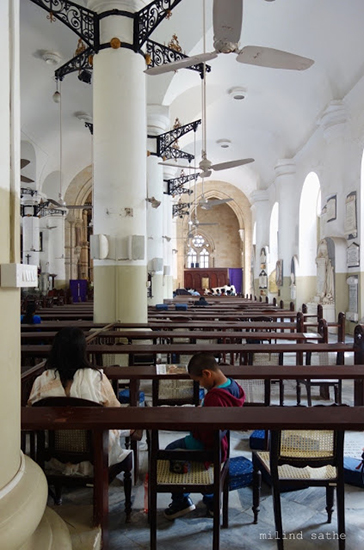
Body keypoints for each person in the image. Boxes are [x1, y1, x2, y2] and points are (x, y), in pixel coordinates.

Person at [27, 327, 140, 474]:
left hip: (55, 456)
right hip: (95, 455)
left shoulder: (42, 380)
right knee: (120, 422)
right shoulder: (96, 378)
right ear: (82, 351)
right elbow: (115, 412)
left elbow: (31, 412)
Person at [163, 352, 245, 520]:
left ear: (207, 373)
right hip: (222, 443)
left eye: (199, 381)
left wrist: (193, 423)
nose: (200, 385)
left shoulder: (214, 398)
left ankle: (181, 502)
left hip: (208, 446)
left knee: (170, 450)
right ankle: (213, 501)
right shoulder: (233, 386)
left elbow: (206, 435)